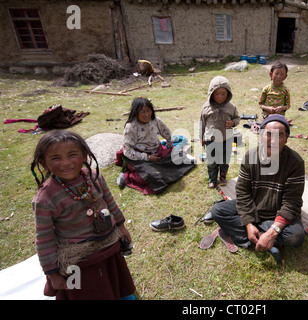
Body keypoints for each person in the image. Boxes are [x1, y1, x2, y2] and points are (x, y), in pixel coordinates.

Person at [31, 130, 135, 300]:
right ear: (43, 162)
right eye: (55, 158)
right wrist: (52, 274)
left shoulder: (93, 177)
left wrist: (121, 227)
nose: (66, 163)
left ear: (85, 155)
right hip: (79, 260)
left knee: (113, 276)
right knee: (88, 291)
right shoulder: (45, 198)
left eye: (72, 154)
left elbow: (110, 202)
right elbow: (44, 238)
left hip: (108, 242)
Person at [210, 114, 305, 262]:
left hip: (278, 213)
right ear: (260, 136)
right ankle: (264, 240)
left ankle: (257, 238)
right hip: (254, 207)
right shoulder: (250, 157)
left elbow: (292, 202)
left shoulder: (295, 162)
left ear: (286, 139)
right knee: (218, 211)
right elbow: (242, 192)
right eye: (268, 134)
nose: (273, 140)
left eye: (279, 135)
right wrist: (248, 223)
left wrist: (273, 231)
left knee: (296, 236)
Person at [117, 97, 195, 195]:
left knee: (182, 160)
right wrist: (147, 157)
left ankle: (159, 167)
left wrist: (171, 147)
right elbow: (127, 151)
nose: (146, 115)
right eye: (142, 112)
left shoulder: (155, 121)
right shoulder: (131, 127)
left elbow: (167, 133)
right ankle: (126, 176)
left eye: (148, 110)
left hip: (157, 152)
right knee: (152, 176)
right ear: (136, 113)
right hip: (139, 157)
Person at [200, 76, 240, 188]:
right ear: (211, 93)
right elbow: (202, 123)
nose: (220, 97)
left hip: (226, 139)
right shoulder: (206, 107)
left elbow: (237, 118)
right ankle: (212, 179)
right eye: (217, 94)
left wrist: (232, 122)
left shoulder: (231, 107)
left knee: (224, 160)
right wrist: (201, 138)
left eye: (223, 94)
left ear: (228, 93)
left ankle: (222, 176)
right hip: (211, 139)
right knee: (211, 161)